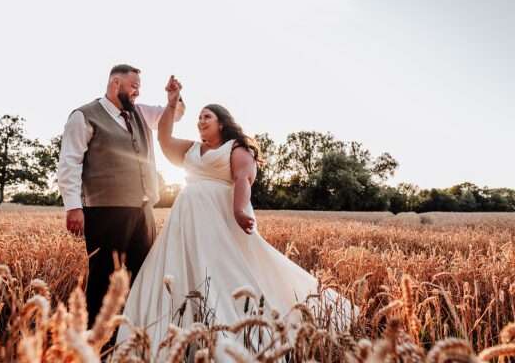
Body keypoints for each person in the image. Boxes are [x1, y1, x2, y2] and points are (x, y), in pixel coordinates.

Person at [116, 83, 356, 357]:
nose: (200, 121)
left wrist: (241, 209)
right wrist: (171, 104)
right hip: (184, 224)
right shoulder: (192, 149)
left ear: (222, 122)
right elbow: (164, 140)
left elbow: (244, 178)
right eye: (199, 117)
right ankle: (175, 335)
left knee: (222, 271)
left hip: (218, 222)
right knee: (181, 269)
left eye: (207, 116)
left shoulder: (236, 148)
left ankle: (240, 334)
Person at [57, 64, 185, 329]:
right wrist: (73, 206)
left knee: (145, 275)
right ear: (115, 83)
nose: (137, 92)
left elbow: (175, 117)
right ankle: (95, 340)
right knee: (104, 279)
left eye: (139, 86)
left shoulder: (138, 112)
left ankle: (137, 334)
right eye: (134, 86)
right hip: (105, 211)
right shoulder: (84, 116)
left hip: (143, 210)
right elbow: (69, 162)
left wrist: (174, 100)